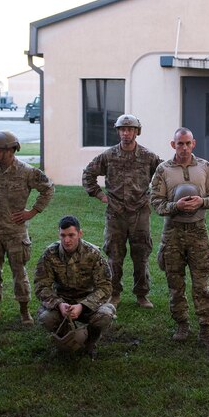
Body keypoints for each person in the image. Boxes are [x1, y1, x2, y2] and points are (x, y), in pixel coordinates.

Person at [0, 130, 54, 326]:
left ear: (11, 151)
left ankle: (24, 312)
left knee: (19, 273)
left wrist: (33, 211)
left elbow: (48, 188)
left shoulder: (27, 172)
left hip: (16, 233)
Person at [149, 127, 209, 352]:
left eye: (187, 143)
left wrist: (201, 202)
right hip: (172, 232)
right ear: (173, 145)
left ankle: (206, 330)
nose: (183, 148)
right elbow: (155, 202)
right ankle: (181, 325)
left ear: (194, 144)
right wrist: (176, 206)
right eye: (179, 144)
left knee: (202, 283)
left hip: (198, 231)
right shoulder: (163, 170)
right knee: (175, 283)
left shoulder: (205, 167)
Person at [82, 113, 163, 309]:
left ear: (137, 132)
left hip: (140, 214)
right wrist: (101, 195)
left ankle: (142, 294)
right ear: (118, 131)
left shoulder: (148, 156)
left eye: (130, 129)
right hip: (115, 214)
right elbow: (88, 174)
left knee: (141, 254)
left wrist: (155, 195)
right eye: (122, 129)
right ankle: (114, 293)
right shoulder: (108, 156)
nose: (126, 133)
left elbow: (164, 174)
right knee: (114, 256)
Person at [34, 215, 117, 359]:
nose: (67, 240)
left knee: (105, 316)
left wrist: (83, 306)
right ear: (58, 234)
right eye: (63, 235)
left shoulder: (93, 254)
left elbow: (105, 286)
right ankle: (66, 337)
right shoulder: (50, 254)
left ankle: (90, 343)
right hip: (63, 301)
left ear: (80, 233)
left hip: (88, 301)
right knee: (46, 317)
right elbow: (41, 286)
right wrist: (59, 304)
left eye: (71, 235)